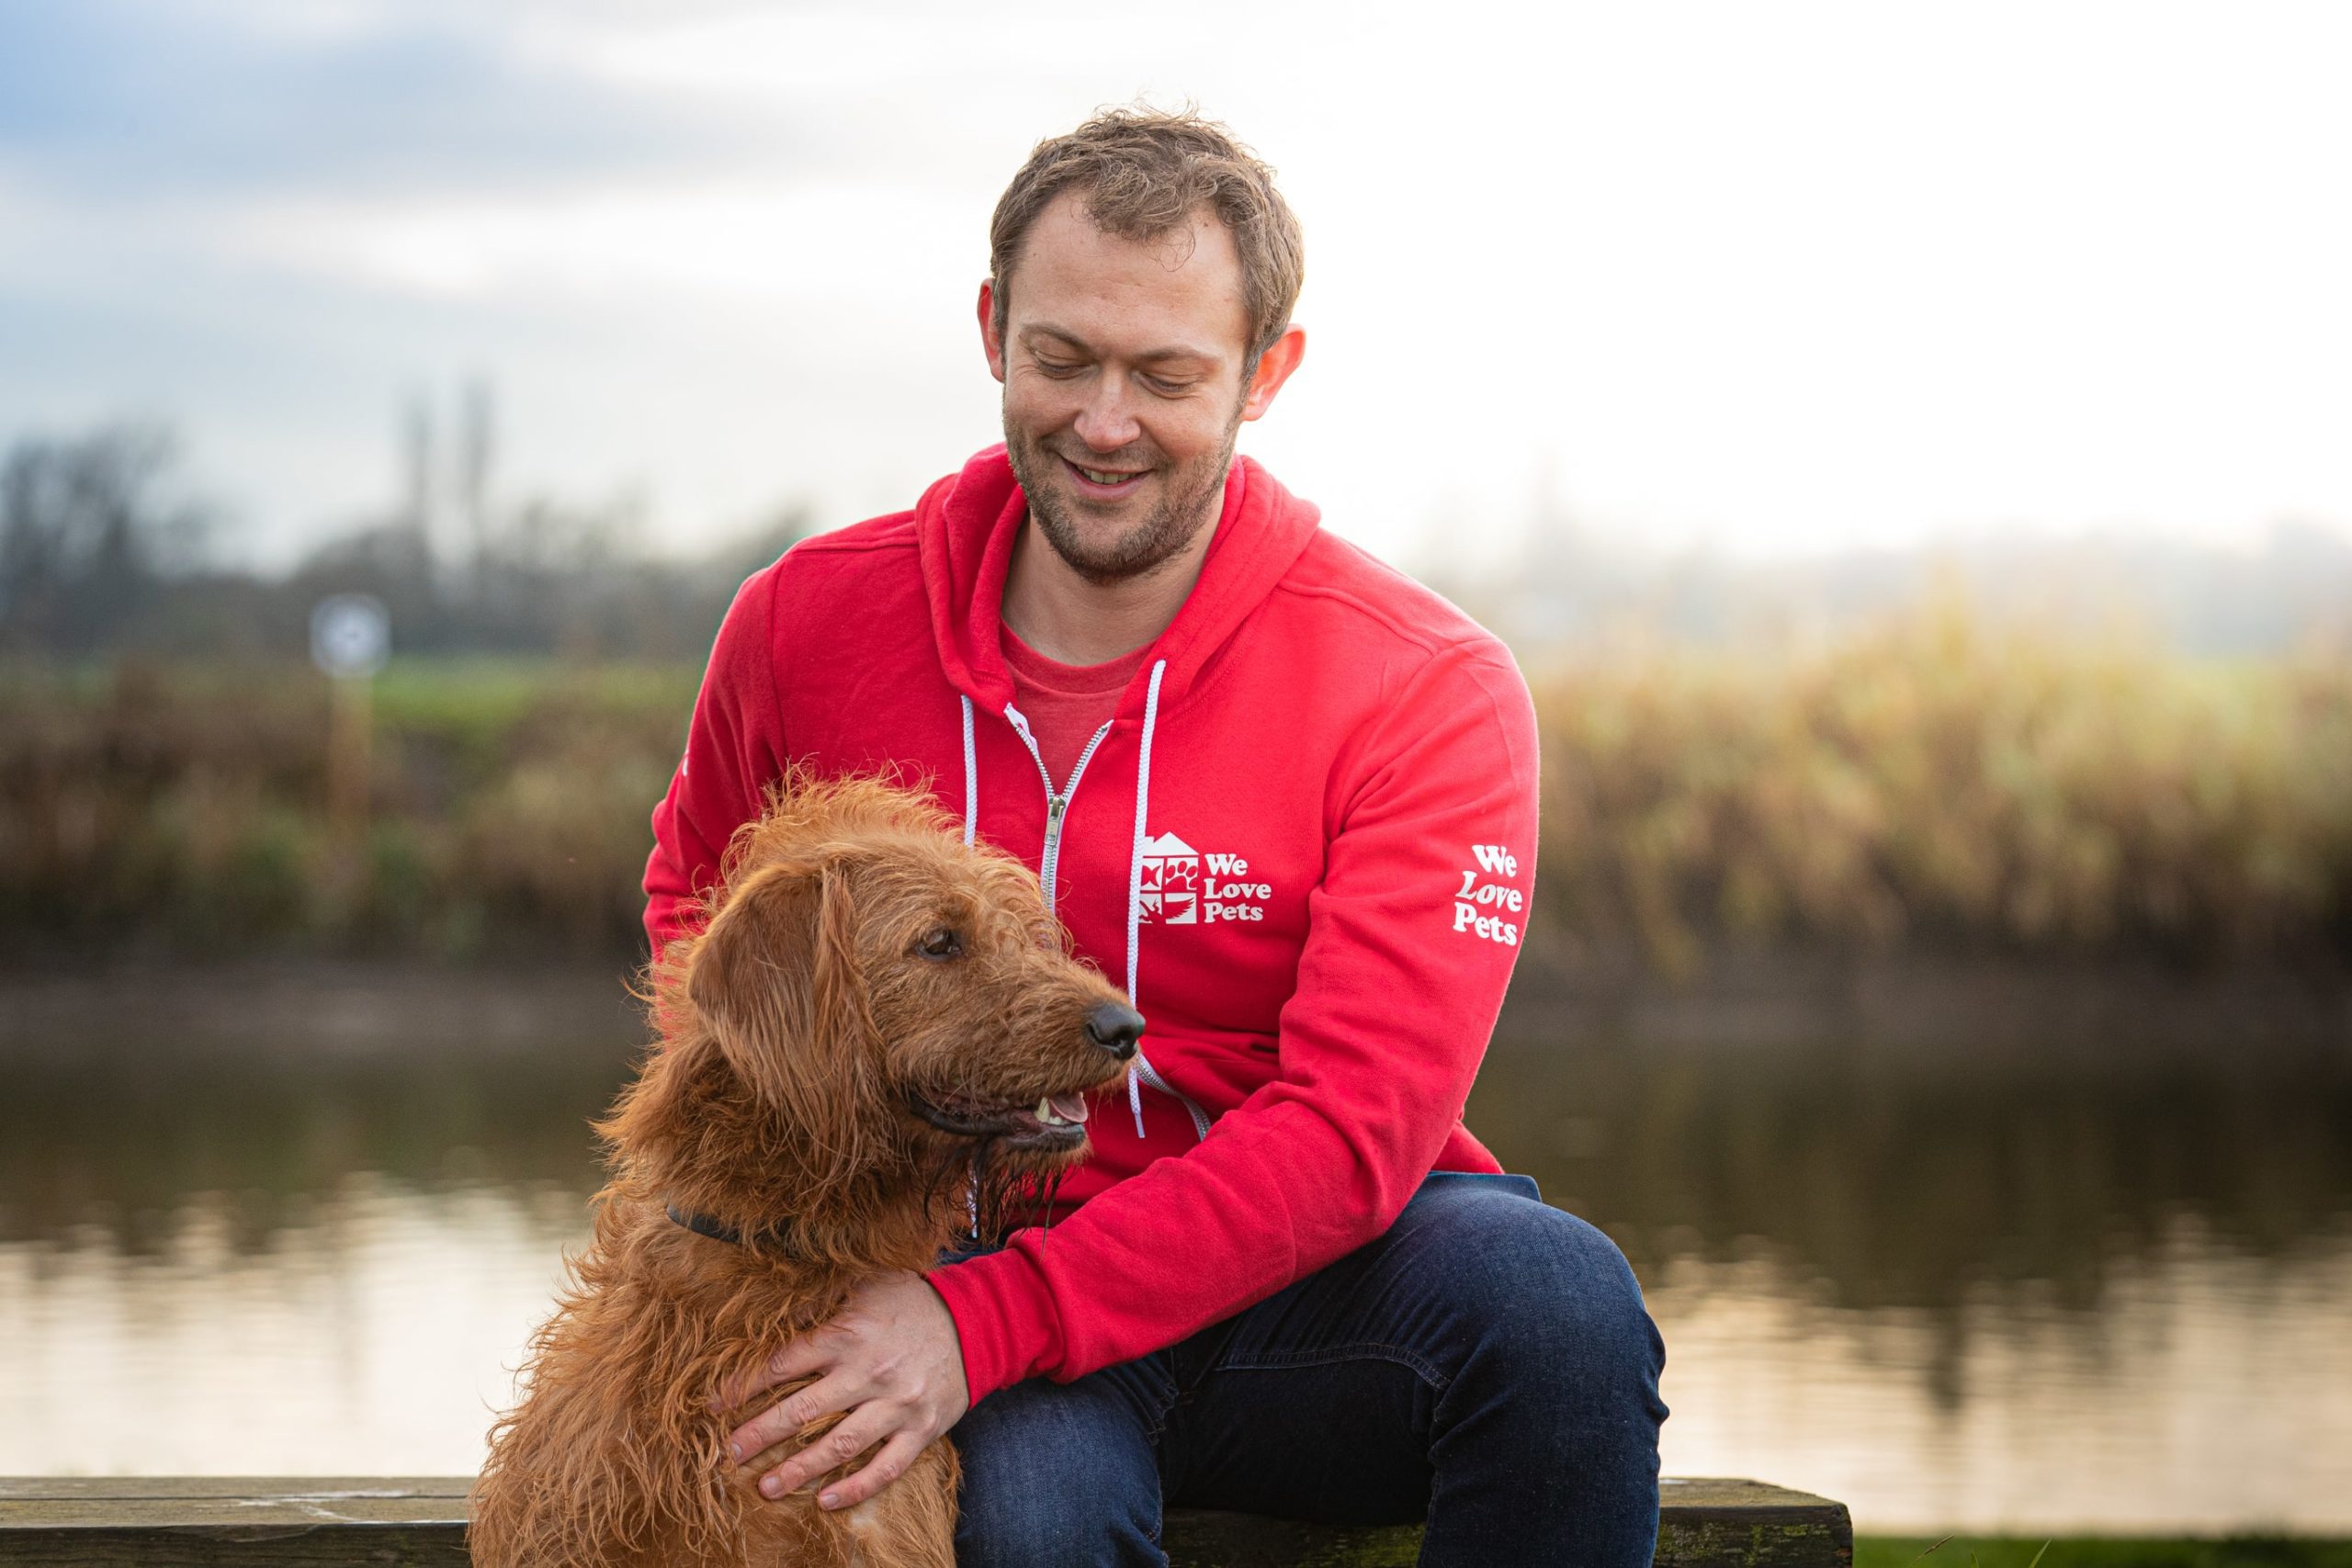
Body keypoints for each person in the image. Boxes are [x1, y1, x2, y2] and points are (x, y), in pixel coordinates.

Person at [642, 107, 1667, 1567]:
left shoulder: (1428, 686)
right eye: (1062, 357)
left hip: (1309, 1291)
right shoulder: (802, 624)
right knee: (1038, 1515)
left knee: (1560, 1308)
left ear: (1269, 371)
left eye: (1167, 375)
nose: (1104, 421)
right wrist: (847, 1202)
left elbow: (1355, 1132)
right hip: (930, 1272)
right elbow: (698, 903)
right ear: (994, 330)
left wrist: (984, 1319)